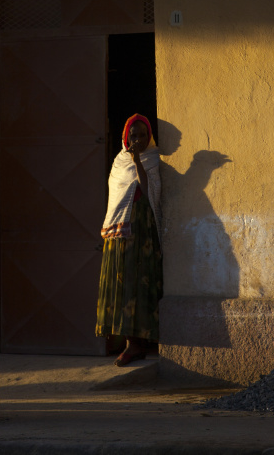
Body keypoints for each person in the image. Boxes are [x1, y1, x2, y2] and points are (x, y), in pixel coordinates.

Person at [95, 114, 163, 366]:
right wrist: (131, 160)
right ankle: (126, 342)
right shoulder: (118, 163)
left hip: (143, 231)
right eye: (133, 136)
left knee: (141, 283)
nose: (138, 140)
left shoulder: (153, 159)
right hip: (121, 233)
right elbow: (116, 198)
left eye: (142, 136)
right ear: (126, 138)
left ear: (149, 137)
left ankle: (141, 342)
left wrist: (138, 162)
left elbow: (150, 192)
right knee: (121, 285)